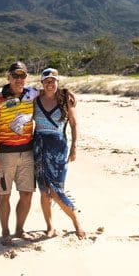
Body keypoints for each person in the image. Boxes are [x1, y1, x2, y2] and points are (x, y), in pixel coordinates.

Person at [0, 61, 40, 245]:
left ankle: (20, 229)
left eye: (22, 76)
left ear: (26, 78)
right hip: (4, 156)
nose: (18, 79)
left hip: (27, 153)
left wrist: (66, 94)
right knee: (4, 195)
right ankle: (5, 232)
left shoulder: (32, 94)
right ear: (8, 77)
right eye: (15, 76)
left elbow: (51, 92)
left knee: (27, 194)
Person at [33, 67, 85, 238]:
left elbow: (74, 124)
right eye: (47, 81)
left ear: (57, 82)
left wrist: (74, 146)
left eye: (53, 81)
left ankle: (76, 220)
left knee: (56, 191)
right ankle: (50, 226)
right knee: (44, 191)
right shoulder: (35, 99)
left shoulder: (65, 100)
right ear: (42, 83)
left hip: (58, 149)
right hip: (39, 148)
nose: (50, 84)